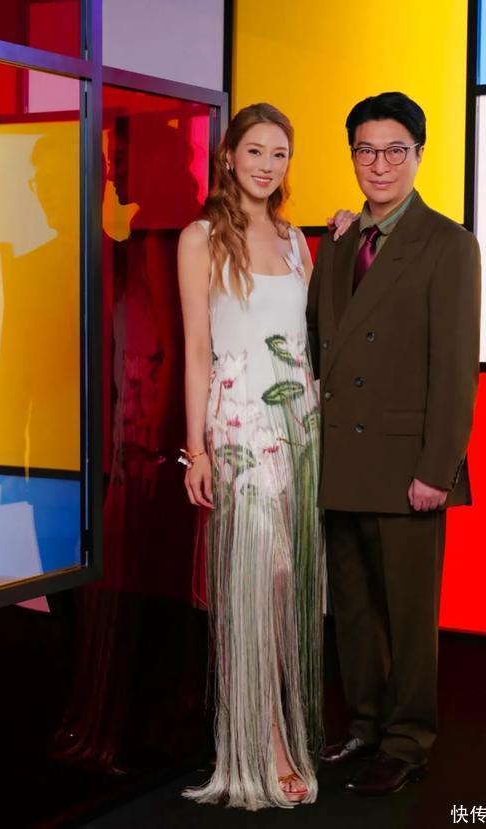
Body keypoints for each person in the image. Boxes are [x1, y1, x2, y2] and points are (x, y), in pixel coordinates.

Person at [177, 103, 352, 809]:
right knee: (257, 581)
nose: (267, 165)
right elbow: (197, 350)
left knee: (292, 584)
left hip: (300, 428)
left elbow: (313, 338)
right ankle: (262, 746)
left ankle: (286, 730)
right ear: (229, 156)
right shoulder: (200, 238)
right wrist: (195, 449)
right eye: (255, 150)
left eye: (280, 153)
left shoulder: (294, 240)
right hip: (241, 429)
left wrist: (343, 242)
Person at [307, 91, 481, 796]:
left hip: (408, 462)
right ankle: (366, 723)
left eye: (394, 150)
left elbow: (456, 367)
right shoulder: (340, 241)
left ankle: (408, 740)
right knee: (351, 606)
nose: (379, 164)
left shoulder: (448, 243)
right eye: (366, 150)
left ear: (418, 155)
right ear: (352, 155)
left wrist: (438, 467)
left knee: (409, 613)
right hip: (343, 456)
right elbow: (320, 340)